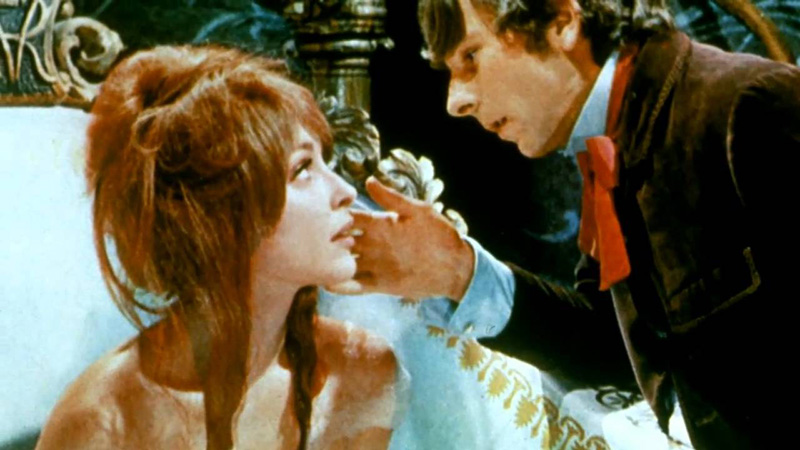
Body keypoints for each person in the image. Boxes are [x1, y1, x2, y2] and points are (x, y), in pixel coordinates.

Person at [343, 0, 800, 448]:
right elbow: (617, 348)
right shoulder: (615, 136)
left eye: (471, 56)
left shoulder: (748, 107)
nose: (456, 101)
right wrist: (460, 272)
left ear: (562, 21)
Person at [35, 45, 399, 450]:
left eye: (324, 162)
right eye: (302, 169)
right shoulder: (102, 421)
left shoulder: (360, 374)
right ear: (223, 217)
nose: (345, 192)